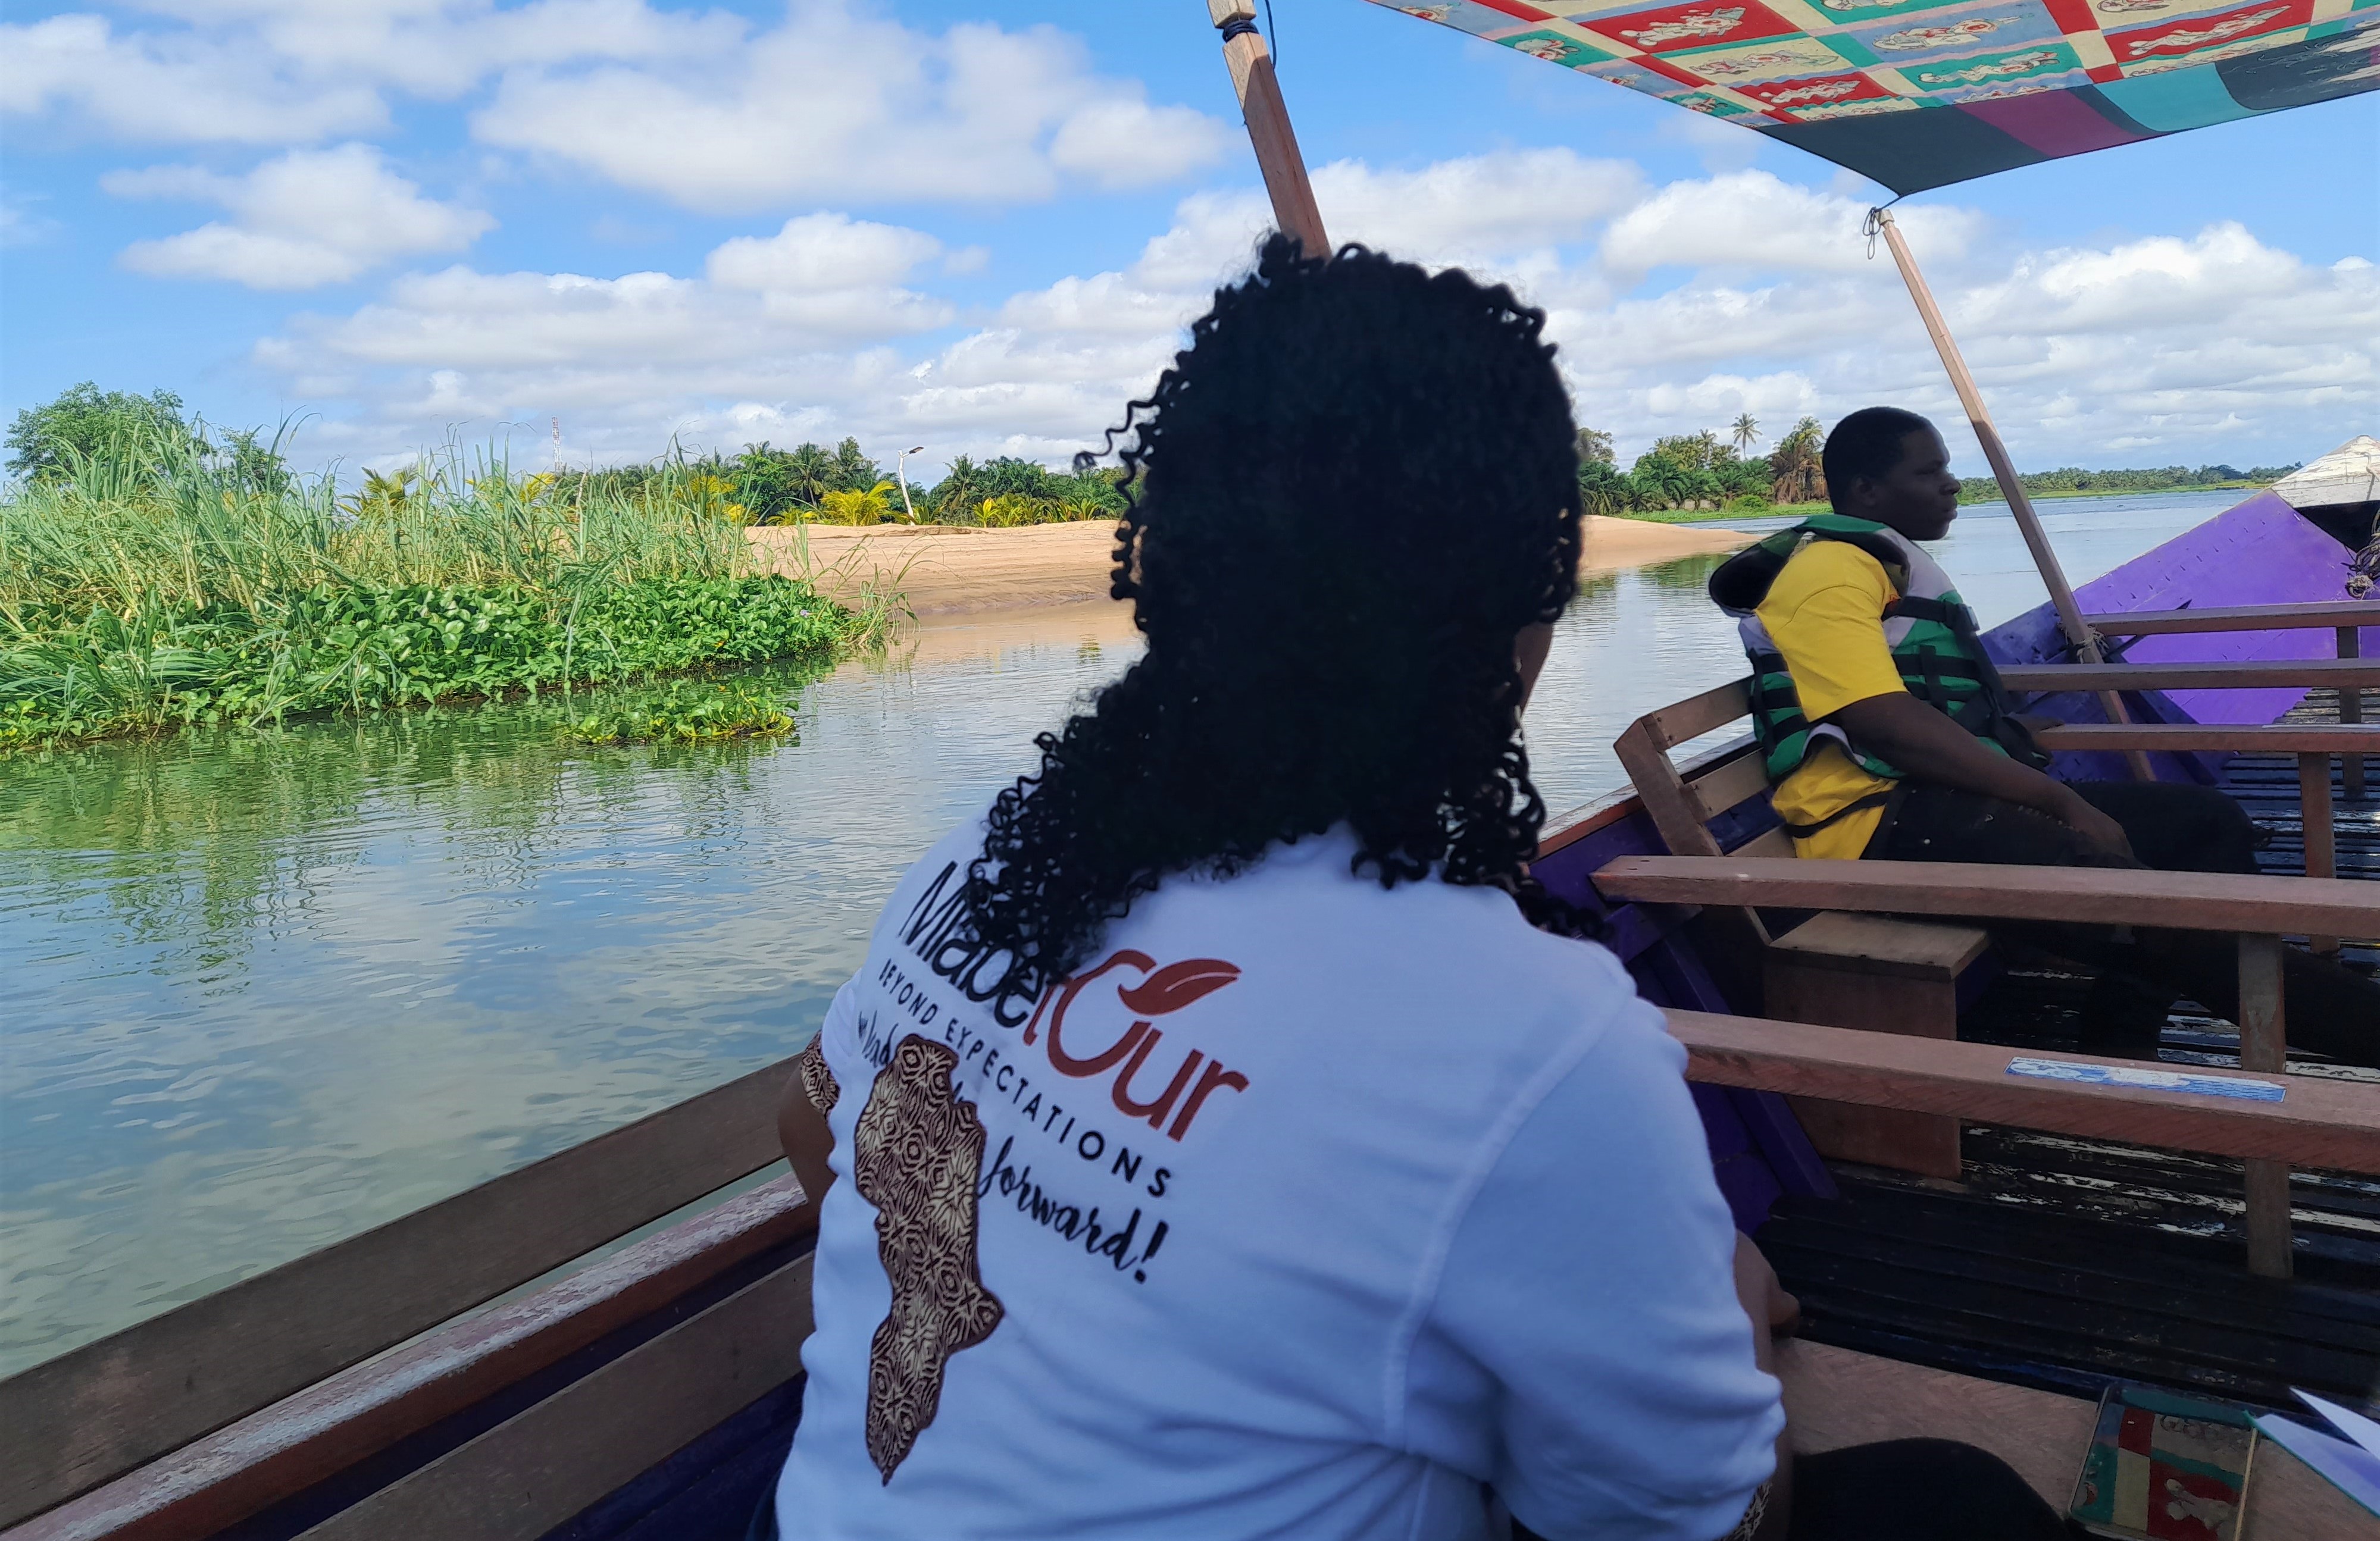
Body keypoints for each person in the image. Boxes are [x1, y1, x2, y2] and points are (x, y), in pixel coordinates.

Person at [764, 243, 2065, 1540]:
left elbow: (805, 1121)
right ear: (1517, 616)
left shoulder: (986, 851)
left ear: (1173, 571)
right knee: (1958, 1501)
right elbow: (1700, 1525)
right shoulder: (1522, 1030)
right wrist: (1731, 1289)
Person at [1709, 405, 2380, 1064]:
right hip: (1872, 827)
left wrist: (2008, 728)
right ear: (1866, 491)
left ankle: (2122, 1037)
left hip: (1930, 799)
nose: (1950, 484)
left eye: (1948, 468)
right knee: (2161, 911)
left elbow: (1912, 701)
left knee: (2204, 823)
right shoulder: (1827, 571)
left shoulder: (1880, 565)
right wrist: (2061, 801)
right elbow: (1882, 720)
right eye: (1928, 471)